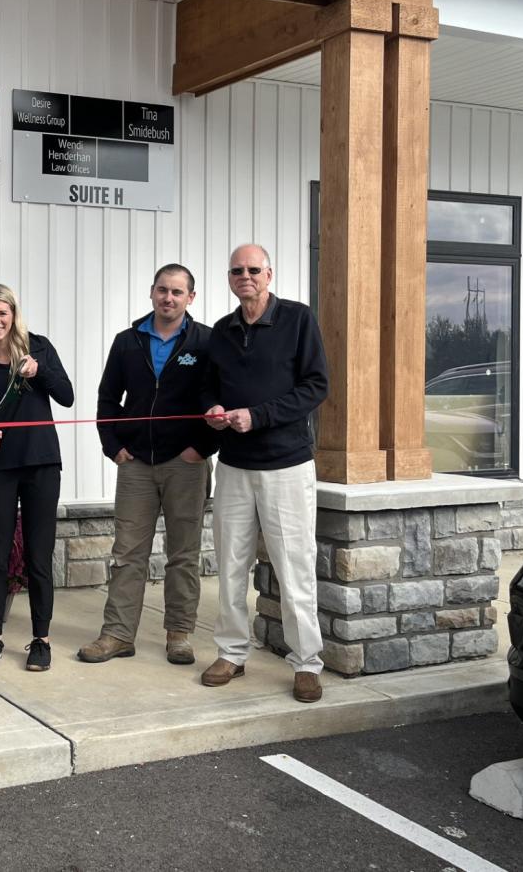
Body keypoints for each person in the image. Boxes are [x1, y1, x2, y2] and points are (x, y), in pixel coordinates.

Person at [201, 243, 330, 703]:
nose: (245, 276)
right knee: (231, 566)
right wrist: (212, 411)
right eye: (236, 270)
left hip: (287, 466)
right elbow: (206, 390)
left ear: (269, 274)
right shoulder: (221, 331)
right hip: (234, 466)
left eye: (253, 269)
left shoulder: (298, 320)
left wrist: (259, 416)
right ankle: (232, 654)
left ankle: (307, 663)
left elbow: (317, 386)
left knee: (295, 567)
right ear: (229, 278)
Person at [80, 264, 216, 667]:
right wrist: (114, 448)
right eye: (162, 290)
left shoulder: (206, 342)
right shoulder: (127, 342)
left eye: (177, 292)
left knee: (183, 554)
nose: (168, 298)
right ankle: (118, 634)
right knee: (127, 553)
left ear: (191, 297)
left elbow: (219, 400)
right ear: (152, 293)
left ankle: (179, 634)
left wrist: (201, 448)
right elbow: (107, 399)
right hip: (136, 463)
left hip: (186, 464)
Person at [0, 284, 74, 672]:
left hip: (41, 462)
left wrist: (40, 371)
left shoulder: (38, 347)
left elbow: (67, 396)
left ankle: (40, 640)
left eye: (2, 313)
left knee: (39, 555)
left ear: (13, 314)